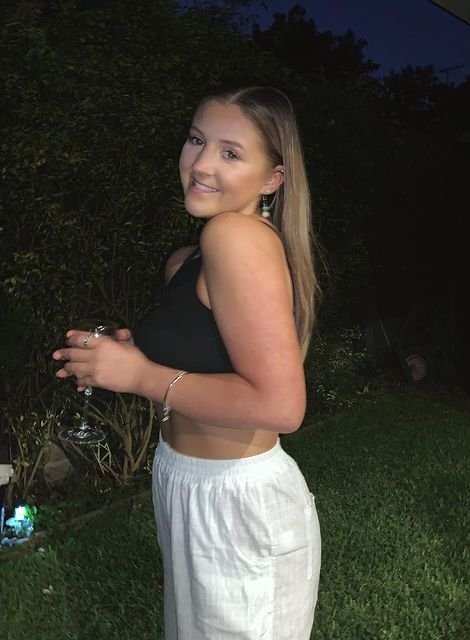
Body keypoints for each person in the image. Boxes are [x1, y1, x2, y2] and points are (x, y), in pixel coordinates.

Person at [53, 86, 321, 640]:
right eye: (197, 140)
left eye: (230, 152)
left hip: (236, 498)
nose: (200, 164)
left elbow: (281, 406)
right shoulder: (190, 257)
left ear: (273, 179)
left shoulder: (234, 236)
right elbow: (204, 364)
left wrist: (140, 375)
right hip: (186, 480)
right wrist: (131, 356)